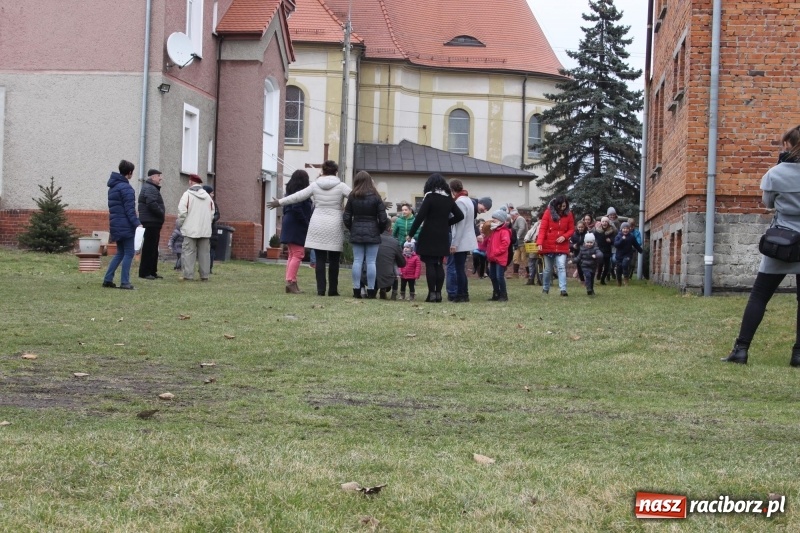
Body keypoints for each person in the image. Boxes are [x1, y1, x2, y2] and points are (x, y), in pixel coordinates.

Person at [724, 126, 800, 366]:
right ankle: (798, 354)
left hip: (782, 240)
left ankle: (741, 350)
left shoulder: (774, 174)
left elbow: (768, 204)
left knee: (759, 296)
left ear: (790, 145)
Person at [268, 160, 351, 296]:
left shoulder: (315, 185)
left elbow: (297, 196)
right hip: (334, 223)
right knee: (334, 259)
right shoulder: (341, 186)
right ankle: (333, 290)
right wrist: (379, 203)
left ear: (322, 171)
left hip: (317, 222)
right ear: (336, 172)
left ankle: (320, 290)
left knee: (319, 259)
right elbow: (357, 196)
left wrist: (279, 202)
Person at [407, 173, 464, 302]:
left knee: (430, 265)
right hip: (443, 235)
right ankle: (438, 294)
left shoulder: (430, 197)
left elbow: (420, 217)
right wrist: (446, 223)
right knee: (439, 264)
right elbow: (460, 215)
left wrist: (411, 234)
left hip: (429, 234)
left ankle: (431, 294)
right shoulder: (448, 198)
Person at [343, 171, 389, 298]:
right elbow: (383, 218)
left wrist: (352, 228)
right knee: (371, 262)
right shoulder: (376, 196)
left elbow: (346, 216)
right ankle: (371, 290)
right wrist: (378, 230)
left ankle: (356, 289)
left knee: (357, 261)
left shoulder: (353, 196)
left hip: (357, 229)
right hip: (373, 230)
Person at [102, 160, 142, 290]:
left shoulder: (113, 187)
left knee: (120, 253)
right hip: (125, 225)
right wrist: (137, 224)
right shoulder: (127, 188)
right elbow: (129, 210)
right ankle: (125, 282)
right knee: (129, 253)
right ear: (130, 173)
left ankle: (108, 279)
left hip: (115, 224)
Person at [280, 170, 312, 294]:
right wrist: (306, 222)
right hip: (296, 225)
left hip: (289, 223)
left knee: (292, 254)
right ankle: (291, 282)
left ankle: (292, 281)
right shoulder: (300, 194)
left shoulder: (289, 192)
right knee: (298, 254)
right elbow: (297, 208)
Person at [177, 174, 215, 281]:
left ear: (190, 182)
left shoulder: (187, 195)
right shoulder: (208, 197)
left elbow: (182, 212)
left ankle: (188, 275)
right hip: (205, 230)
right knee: (204, 254)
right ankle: (205, 275)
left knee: (188, 252)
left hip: (190, 229)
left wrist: (181, 224)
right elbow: (212, 213)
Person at [536, 196, 575, 296]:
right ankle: (545, 288)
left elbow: (571, 229)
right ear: (557, 205)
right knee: (548, 269)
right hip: (548, 245)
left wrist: (564, 236)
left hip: (562, 245)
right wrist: (539, 243)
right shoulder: (548, 213)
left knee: (561, 266)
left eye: (565, 206)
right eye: (561, 206)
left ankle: (563, 289)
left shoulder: (569, 214)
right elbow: (543, 229)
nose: (563, 208)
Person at [448, 179, 479, 302]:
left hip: (461, 240)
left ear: (452, 190)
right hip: (467, 238)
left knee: (459, 269)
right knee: (461, 269)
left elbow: (460, 225)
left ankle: (462, 294)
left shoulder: (460, 202)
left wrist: (454, 243)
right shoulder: (468, 200)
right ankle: (463, 293)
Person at [137, 169, 166, 280]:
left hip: (152, 221)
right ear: (153, 177)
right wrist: (161, 213)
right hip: (151, 222)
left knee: (153, 247)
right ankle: (145, 272)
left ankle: (152, 271)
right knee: (149, 247)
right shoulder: (150, 188)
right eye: (159, 176)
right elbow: (151, 203)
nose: (160, 178)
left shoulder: (150, 188)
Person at [484, 209, 512, 301]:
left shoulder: (504, 231)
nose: (493, 220)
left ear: (500, 219)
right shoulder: (493, 230)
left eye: (495, 218)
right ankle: (496, 293)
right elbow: (488, 243)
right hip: (492, 257)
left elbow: (505, 244)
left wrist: (495, 252)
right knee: (493, 276)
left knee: (499, 276)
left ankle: (503, 295)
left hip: (500, 257)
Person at [376, 223, 406, 300]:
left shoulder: (372, 239)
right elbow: (402, 262)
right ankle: (393, 293)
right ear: (389, 228)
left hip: (371, 274)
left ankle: (364, 290)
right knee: (393, 264)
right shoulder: (394, 242)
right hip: (388, 275)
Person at [202, 185, 221, 274]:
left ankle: (209, 268)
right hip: (203, 229)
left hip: (212, 230)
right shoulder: (201, 202)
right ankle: (203, 267)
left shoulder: (213, 203)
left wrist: (212, 219)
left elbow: (217, 214)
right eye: (212, 193)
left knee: (211, 250)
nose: (213, 195)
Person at [510, 209, 529, 279]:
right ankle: (515, 274)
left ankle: (529, 273)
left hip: (523, 242)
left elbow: (522, 228)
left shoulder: (520, 219)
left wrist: (517, 236)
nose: (511, 217)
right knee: (515, 257)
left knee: (524, 258)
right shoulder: (515, 220)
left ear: (515, 215)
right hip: (517, 243)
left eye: (512, 216)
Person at [524, 213, 541, 285]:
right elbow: (530, 232)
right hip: (534, 244)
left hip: (537, 244)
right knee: (533, 261)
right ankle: (534, 279)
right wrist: (527, 239)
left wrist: (526, 238)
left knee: (532, 262)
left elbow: (530, 233)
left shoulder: (539, 224)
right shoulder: (536, 224)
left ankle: (533, 279)